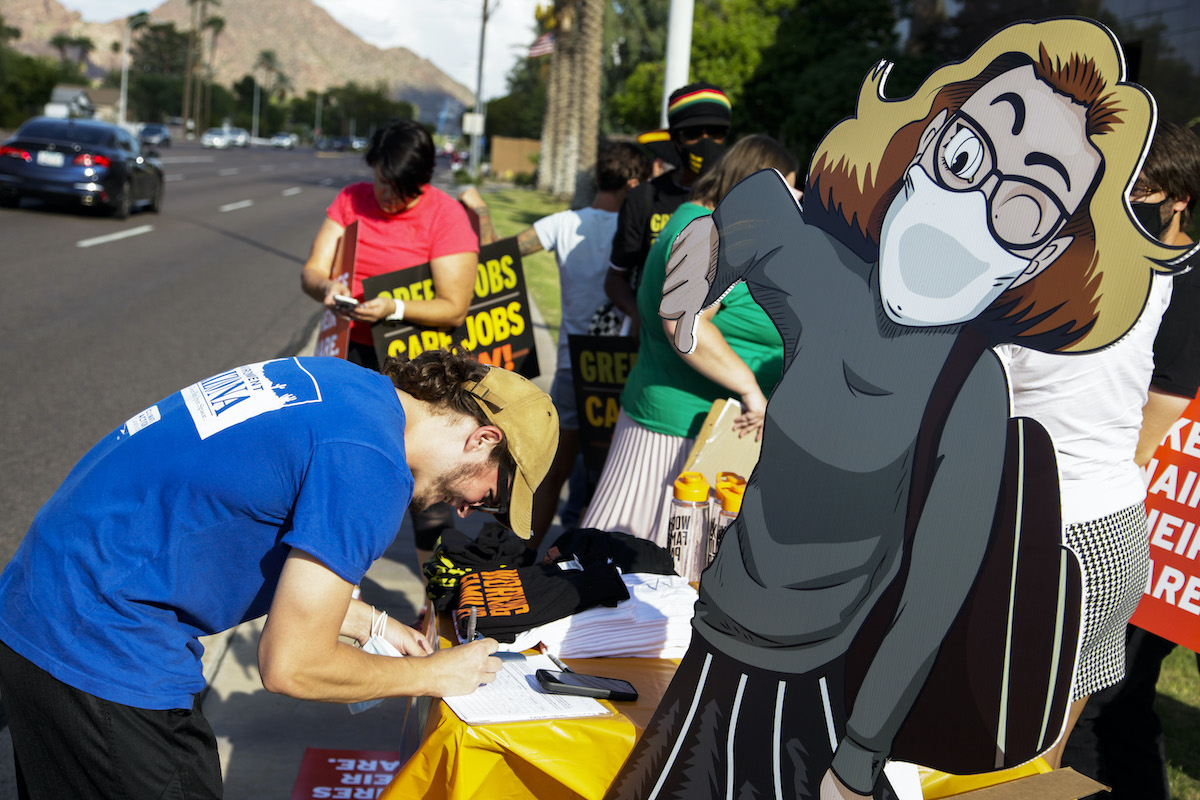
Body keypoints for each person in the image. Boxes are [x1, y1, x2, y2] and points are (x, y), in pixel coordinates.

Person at [605, 20, 1197, 800]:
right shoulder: (830, 279)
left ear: (1050, 250)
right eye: (965, 155)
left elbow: (933, 598)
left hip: (822, 688)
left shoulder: (971, 386)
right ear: (923, 141)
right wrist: (710, 254)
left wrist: (857, 759)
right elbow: (761, 211)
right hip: (712, 656)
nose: (972, 204)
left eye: (1026, 205)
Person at [0, 350, 558, 799]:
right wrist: (434, 675)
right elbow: (292, 666)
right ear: (484, 439)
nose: (469, 508)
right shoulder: (374, 469)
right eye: (492, 496)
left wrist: (368, 622)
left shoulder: (347, 385)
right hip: (101, 647)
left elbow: (245, 509)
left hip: (42, 596)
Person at [997, 118, 1200, 770]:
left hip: (1050, 520)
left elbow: (1161, 408)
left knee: (1008, 735)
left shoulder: (1045, 273)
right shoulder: (1151, 278)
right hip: (1102, 527)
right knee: (1034, 745)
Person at [1058, 120, 1200, 800]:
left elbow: (1163, 405)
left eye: (1140, 190)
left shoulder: (1189, 282)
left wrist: (1105, 476)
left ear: (1178, 200)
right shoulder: (1125, 264)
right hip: (1124, 504)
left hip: (1144, 513)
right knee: (1111, 702)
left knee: (1106, 702)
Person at [580, 134, 796, 546]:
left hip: (682, 427)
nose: (796, 197)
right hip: (680, 436)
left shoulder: (697, 220)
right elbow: (687, 324)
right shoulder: (711, 233)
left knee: (633, 561)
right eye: (787, 186)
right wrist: (751, 390)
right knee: (644, 561)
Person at [300, 118, 479, 565]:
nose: (384, 195)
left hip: (415, 366)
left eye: (397, 188)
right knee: (343, 468)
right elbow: (312, 271)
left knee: (427, 483)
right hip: (353, 351)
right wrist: (328, 289)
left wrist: (393, 307)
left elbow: (454, 307)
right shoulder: (350, 199)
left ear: (420, 181)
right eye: (380, 180)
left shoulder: (445, 215)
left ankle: (437, 594)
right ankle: (338, 581)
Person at [461, 142, 653, 546]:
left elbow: (499, 253)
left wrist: (480, 210)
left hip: (573, 364)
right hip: (627, 366)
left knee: (552, 474)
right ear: (634, 184)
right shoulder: (642, 226)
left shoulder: (562, 223)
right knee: (611, 476)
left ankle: (522, 556)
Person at [599, 81, 731, 336]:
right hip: (655, 340)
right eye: (693, 133)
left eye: (716, 132)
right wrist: (636, 312)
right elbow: (615, 277)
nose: (706, 142)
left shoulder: (740, 198)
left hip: (719, 341)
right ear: (675, 140)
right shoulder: (645, 198)